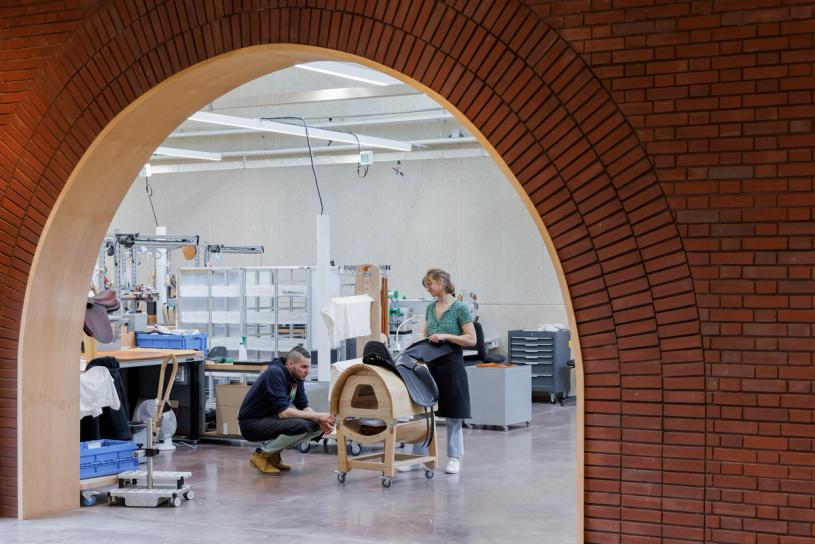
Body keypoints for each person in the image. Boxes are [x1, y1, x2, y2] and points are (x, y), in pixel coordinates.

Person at [401, 268, 476, 475]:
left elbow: (471, 339)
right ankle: (417, 457)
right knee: (422, 410)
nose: (427, 288)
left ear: (442, 282)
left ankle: (454, 458)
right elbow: (426, 336)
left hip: (452, 366)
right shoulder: (430, 308)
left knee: (453, 413)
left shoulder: (460, 308)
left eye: (430, 284)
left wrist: (446, 336)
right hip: (430, 365)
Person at [237, 346, 335, 474]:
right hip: (251, 424)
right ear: (290, 364)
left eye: (308, 367)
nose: (307, 371)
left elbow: (303, 405)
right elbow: (284, 413)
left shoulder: (297, 377)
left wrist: (320, 420)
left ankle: (273, 454)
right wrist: (319, 416)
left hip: (271, 420)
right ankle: (261, 455)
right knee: (300, 426)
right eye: (304, 367)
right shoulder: (275, 373)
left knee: (317, 427)